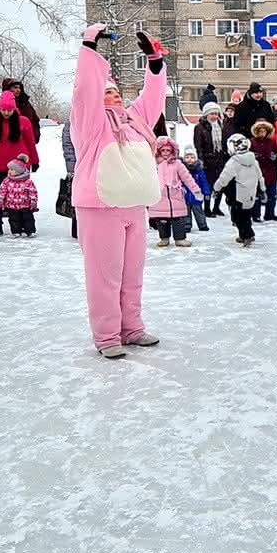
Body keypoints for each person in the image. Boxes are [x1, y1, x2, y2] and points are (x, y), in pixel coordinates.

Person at [70, 25, 167, 359]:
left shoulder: (135, 121)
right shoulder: (91, 123)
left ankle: (132, 327)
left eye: (116, 94)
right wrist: (90, 46)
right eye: (107, 93)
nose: (114, 98)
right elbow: (85, 91)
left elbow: (153, 97)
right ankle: (107, 335)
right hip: (99, 206)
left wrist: (153, 60)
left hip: (134, 206)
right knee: (104, 276)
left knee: (131, 274)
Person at [0, 90, 37, 238]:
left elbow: (30, 143)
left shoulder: (23, 121)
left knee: (22, 196)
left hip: (19, 166)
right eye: (4, 109)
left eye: (9, 110)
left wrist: (35, 160)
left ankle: (25, 224)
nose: (6, 113)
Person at [149, 138, 203, 248]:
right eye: (163, 150)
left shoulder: (177, 164)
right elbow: (147, 178)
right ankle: (164, 238)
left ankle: (180, 238)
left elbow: (187, 178)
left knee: (178, 220)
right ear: (158, 151)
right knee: (162, 220)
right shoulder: (154, 164)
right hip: (160, 196)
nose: (165, 153)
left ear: (172, 151)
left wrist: (195, 189)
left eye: (168, 151)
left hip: (176, 196)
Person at [214, 132, 265, 247]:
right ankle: (245, 234)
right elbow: (260, 176)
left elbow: (224, 177)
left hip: (238, 194)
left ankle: (247, 235)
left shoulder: (233, 162)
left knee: (237, 216)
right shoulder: (254, 160)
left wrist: (216, 188)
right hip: (251, 193)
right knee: (246, 214)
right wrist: (262, 189)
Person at [194, 102, 228, 217]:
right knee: (207, 185)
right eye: (212, 114)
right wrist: (201, 160)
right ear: (206, 115)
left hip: (220, 159)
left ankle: (216, 207)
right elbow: (199, 146)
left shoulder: (221, 125)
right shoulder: (200, 127)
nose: (214, 116)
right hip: (208, 160)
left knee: (220, 184)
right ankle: (207, 208)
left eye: (216, 114)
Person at [247, 119, 277, 223]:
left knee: (271, 194)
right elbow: (248, 154)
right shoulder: (252, 142)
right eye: (260, 131)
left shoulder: (271, 142)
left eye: (264, 131)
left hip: (270, 170)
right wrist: (254, 157)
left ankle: (270, 214)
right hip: (257, 171)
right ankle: (256, 215)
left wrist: (274, 156)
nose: (262, 133)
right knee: (257, 194)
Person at [0, 153, 39, 238]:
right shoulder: (7, 181)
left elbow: (33, 193)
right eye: (9, 169)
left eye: (12, 169)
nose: (9, 171)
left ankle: (30, 231)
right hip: (11, 205)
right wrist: (0, 203)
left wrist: (33, 204)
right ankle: (16, 231)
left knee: (28, 219)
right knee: (14, 219)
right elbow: (2, 192)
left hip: (25, 205)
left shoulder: (27, 182)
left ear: (19, 171)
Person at [1, 79, 43, 143]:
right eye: (15, 87)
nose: (18, 90)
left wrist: (35, 136)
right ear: (8, 89)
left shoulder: (25, 103)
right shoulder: (0, 104)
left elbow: (35, 120)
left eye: (19, 88)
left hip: (26, 141)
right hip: (6, 143)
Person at [180, 149, 211, 233]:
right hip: (185, 196)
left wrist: (206, 192)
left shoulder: (199, 171)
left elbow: (204, 182)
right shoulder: (182, 170)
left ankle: (202, 224)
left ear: (196, 159)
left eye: (192, 157)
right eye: (187, 157)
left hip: (196, 196)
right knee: (186, 212)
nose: (190, 159)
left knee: (199, 211)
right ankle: (187, 225)